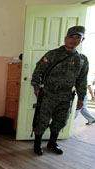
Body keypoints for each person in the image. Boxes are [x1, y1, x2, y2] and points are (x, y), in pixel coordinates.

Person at [31, 26, 89, 155]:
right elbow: (38, 72)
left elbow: (82, 80)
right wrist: (36, 88)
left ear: (82, 39)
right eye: (70, 37)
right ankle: (37, 143)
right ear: (65, 38)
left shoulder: (82, 60)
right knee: (42, 120)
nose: (73, 40)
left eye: (77, 37)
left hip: (66, 96)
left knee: (61, 121)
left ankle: (52, 143)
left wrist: (81, 98)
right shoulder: (52, 54)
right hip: (49, 94)